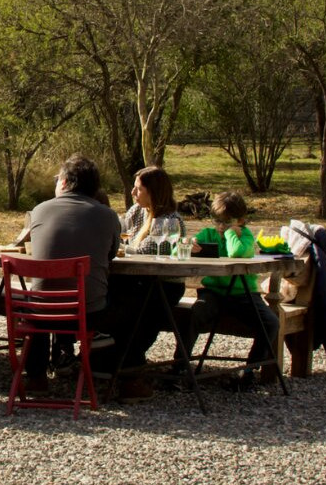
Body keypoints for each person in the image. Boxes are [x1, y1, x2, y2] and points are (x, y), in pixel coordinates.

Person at [26, 155, 120, 395]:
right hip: (87, 312)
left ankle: (36, 377)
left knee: (41, 303)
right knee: (121, 296)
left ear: (66, 182)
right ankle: (119, 372)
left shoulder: (39, 210)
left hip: (43, 311)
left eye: (58, 179)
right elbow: (110, 256)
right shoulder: (108, 216)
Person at [98, 165, 187, 399]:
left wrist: (125, 247)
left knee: (132, 310)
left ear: (154, 191)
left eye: (138, 189)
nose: (133, 194)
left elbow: (154, 249)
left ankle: (115, 359)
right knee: (121, 301)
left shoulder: (170, 220)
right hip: (136, 281)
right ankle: (114, 361)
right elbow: (120, 235)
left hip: (165, 284)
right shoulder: (137, 212)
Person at [187, 192, 280, 387]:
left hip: (242, 294)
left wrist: (231, 233)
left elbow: (237, 252)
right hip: (213, 292)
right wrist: (190, 245)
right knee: (195, 315)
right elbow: (179, 249)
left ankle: (250, 370)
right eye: (217, 221)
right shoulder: (208, 234)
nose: (220, 227)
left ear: (241, 220)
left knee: (271, 323)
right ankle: (181, 364)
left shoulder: (245, 236)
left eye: (227, 222)